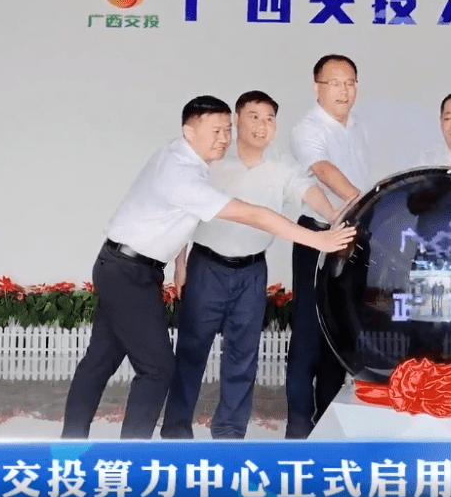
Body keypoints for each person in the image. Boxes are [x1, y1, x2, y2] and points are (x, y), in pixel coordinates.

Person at [61, 95, 356, 440]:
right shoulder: (184, 173)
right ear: (189, 131)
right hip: (129, 271)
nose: (223, 138)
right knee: (158, 367)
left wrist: (334, 215)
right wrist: (317, 240)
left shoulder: (188, 158)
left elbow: (179, 219)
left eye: (226, 130)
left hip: (134, 267)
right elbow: (252, 214)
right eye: (216, 130)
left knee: (100, 360)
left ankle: (70, 446)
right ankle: (135, 455)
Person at [161, 91, 341, 440]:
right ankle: (175, 430)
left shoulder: (282, 165)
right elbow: (186, 212)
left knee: (242, 357)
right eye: (254, 117)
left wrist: (333, 215)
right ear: (237, 120)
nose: (262, 125)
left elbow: (308, 191)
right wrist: (180, 264)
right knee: (191, 351)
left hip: (252, 272)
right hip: (206, 267)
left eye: (269, 119)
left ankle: (230, 433)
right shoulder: (212, 159)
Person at [285, 54, 372, 439]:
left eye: (350, 83)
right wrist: (361, 200)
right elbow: (322, 169)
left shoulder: (358, 127)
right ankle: (298, 430)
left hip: (351, 239)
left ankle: (327, 426)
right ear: (316, 86)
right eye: (335, 83)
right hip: (317, 236)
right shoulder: (307, 128)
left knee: (339, 332)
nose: (343, 90)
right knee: (308, 334)